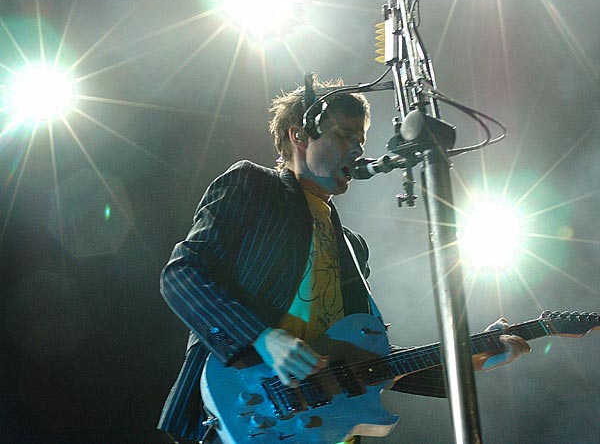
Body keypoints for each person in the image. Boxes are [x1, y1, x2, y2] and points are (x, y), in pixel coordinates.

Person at [157, 78, 530, 444]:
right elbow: (182, 274)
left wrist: (467, 359)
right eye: (344, 135)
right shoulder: (253, 185)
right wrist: (263, 338)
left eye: (360, 140)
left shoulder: (353, 247)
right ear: (299, 135)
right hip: (241, 416)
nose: (357, 150)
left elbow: (364, 361)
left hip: (320, 429)